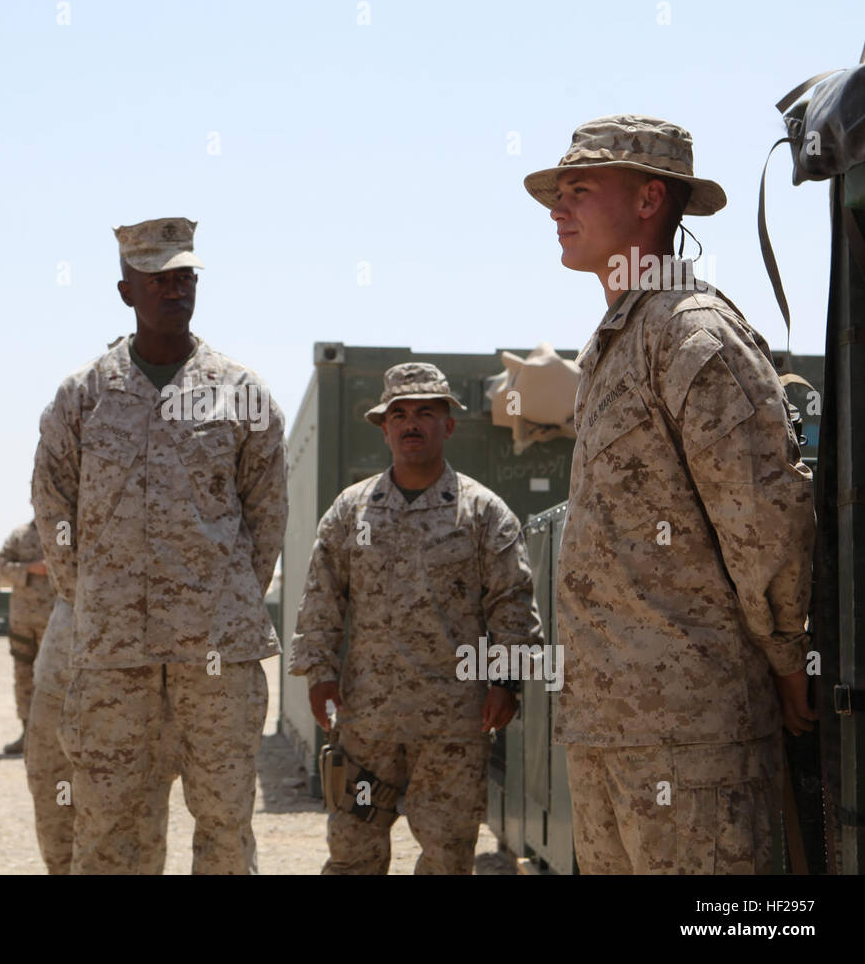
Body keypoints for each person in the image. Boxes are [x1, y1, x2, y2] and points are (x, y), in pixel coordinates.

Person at [523, 115, 817, 874]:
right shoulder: (615, 343)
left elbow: (765, 515)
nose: (559, 207)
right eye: (558, 191)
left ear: (651, 198)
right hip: (607, 733)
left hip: (692, 743)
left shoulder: (692, 334)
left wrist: (789, 660)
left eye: (579, 189)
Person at [32, 217, 288, 874]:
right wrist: (92, 596)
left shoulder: (243, 395)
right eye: (158, 280)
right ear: (127, 291)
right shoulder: (82, 396)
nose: (175, 290)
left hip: (216, 660)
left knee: (226, 827)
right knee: (110, 831)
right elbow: (53, 507)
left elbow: (266, 517)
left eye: (185, 278)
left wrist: (224, 601)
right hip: (114, 659)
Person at [290, 363, 543, 873]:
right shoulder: (350, 511)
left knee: (447, 856)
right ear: (383, 427)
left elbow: (512, 604)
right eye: (398, 414)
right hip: (365, 727)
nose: (411, 424)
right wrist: (319, 675)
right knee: (352, 851)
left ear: (447, 425)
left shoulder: (483, 513)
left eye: (425, 413)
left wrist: (506, 682)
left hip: (452, 727)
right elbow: (321, 599)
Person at [24, 597, 177, 873]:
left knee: (139, 814)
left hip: (140, 683)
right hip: (60, 675)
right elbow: (65, 574)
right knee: (56, 801)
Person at [0, 517, 56, 754]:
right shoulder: (19, 535)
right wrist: (29, 569)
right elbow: (0, 566)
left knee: (53, 676)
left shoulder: (63, 529)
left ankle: (52, 736)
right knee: (23, 677)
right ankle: (28, 733)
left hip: (54, 621)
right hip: (22, 621)